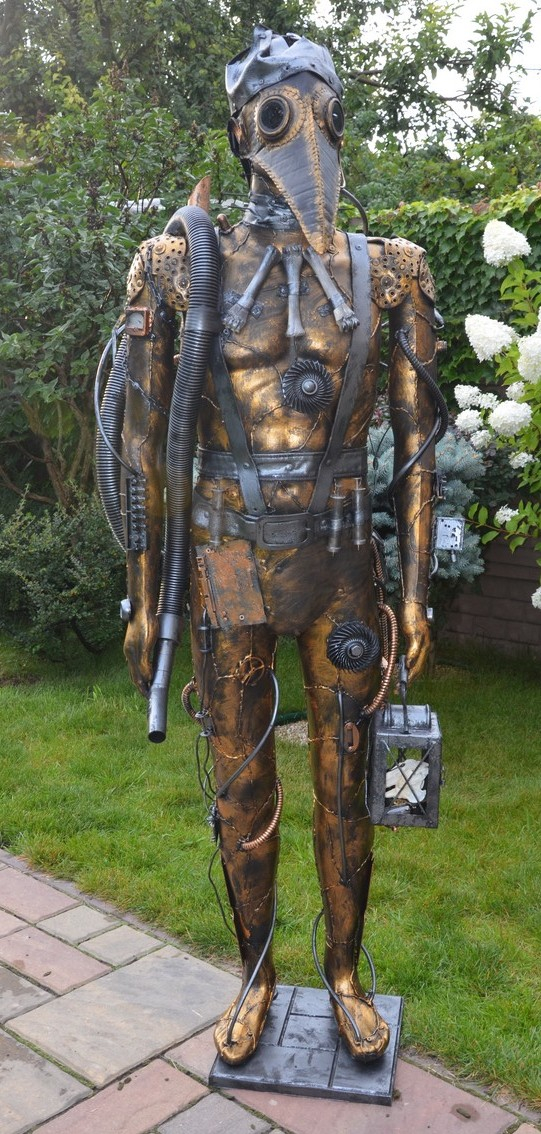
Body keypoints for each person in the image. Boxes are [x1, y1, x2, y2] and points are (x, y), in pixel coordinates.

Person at [97, 26, 442, 1068]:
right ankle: (254, 976)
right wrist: (144, 597)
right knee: (239, 781)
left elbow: (416, 451)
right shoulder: (177, 267)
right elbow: (145, 452)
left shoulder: (389, 273)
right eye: (281, 108)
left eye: (319, 108)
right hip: (229, 559)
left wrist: (414, 593)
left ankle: (343, 972)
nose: (303, 131)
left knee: (350, 774)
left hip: (341, 562)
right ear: (243, 126)